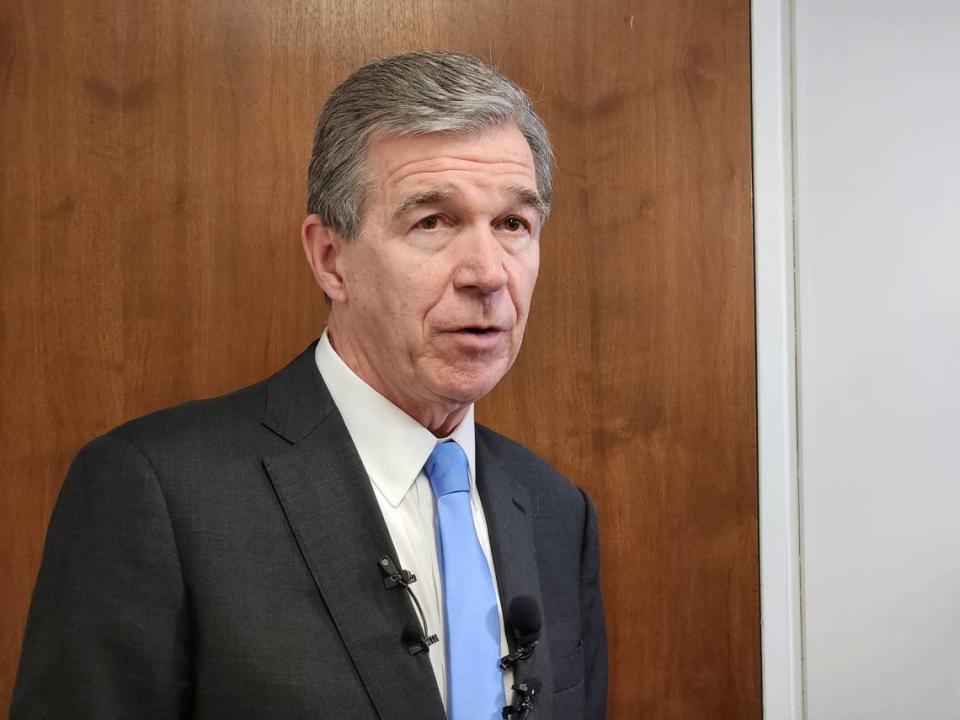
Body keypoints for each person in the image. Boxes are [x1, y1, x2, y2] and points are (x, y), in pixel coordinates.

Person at [11, 51, 607, 720]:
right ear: (331, 259)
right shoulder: (157, 493)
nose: (488, 274)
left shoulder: (556, 511)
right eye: (432, 222)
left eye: (512, 225)